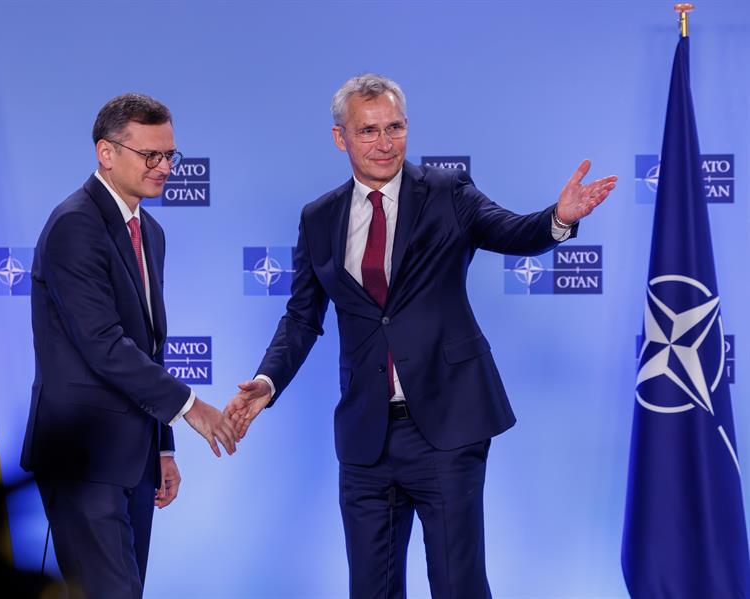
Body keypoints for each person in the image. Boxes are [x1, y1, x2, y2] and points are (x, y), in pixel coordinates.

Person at [226, 74, 616, 598]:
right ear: (341, 138)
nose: (384, 143)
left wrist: (558, 220)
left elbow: (511, 231)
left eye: (395, 127)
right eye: (368, 131)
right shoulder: (318, 218)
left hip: (448, 427)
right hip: (366, 435)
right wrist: (267, 380)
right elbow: (302, 316)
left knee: (458, 586)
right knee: (372, 589)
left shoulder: (446, 193)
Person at [20, 93, 237, 599]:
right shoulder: (75, 224)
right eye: (150, 156)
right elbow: (103, 344)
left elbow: (149, 348)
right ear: (106, 152)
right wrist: (191, 408)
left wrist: (162, 444)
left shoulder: (150, 231)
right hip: (84, 458)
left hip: (133, 459)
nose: (164, 167)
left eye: (169, 155)